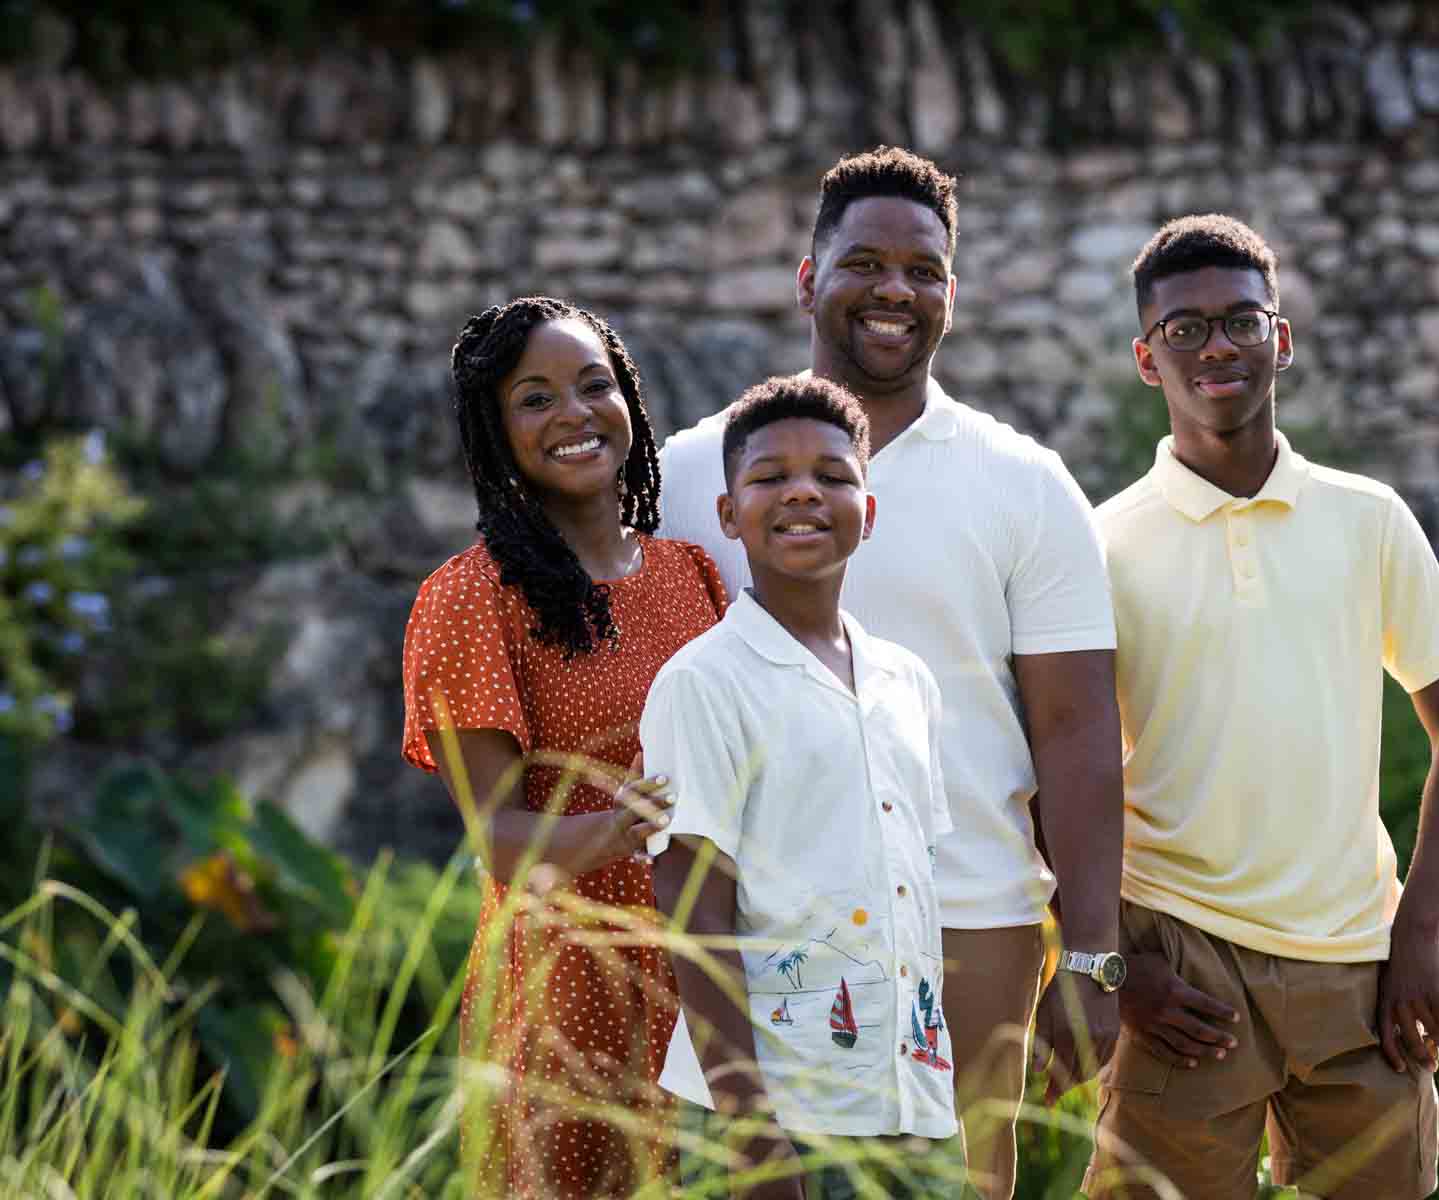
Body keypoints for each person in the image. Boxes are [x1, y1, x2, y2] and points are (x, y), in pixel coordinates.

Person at [657, 147, 1124, 1199]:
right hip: (763, 926)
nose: (894, 291)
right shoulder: (699, 472)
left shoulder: (1024, 483)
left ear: (952, 293)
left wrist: (1094, 956)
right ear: (807, 277)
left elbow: (1078, 730)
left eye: (924, 270)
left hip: (969, 925)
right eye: (864, 262)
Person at [1083, 215, 1439, 1200]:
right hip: (1180, 960)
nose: (1216, 346)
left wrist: (1420, 933)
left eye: (1241, 322)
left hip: (1360, 962)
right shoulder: (1100, 544)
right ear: (1148, 359)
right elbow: (1058, 769)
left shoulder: (1368, 520)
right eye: (1185, 331)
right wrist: (1112, 967)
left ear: (1284, 338)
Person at [401, 296, 728, 1198]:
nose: (575, 414)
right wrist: (620, 827)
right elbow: (498, 839)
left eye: (594, 385)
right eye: (534, 400)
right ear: (495, 434)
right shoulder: (472, 600)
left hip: (713, 973)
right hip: (568, 995)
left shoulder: (688, 573)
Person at [642, 374, 961, 1199]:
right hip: (777, 1115)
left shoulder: (907, 682)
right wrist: (752, 1133)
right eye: (769, 477)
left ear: (869, 507)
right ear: (726, 514)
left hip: (910, 1101)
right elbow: (693, 906)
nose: (802, 494)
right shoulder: (705, 682)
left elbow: (908, 894)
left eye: (831, 474)